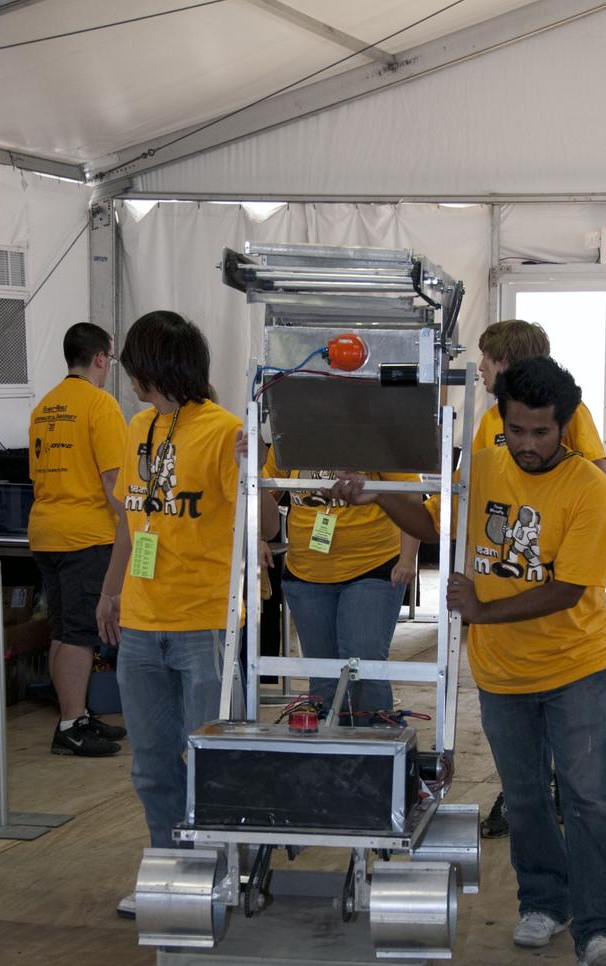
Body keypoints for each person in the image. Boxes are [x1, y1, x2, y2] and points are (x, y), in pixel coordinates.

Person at [334, 356, 606, 966]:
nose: (527, 444)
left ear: (565, 426)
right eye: (516, 429)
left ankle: (602, 926)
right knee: (524, 798)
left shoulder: (588, 488)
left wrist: (480, 610)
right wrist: (379, 495)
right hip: (501, 675)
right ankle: (544, 902)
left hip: (574, 669)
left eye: (541, 432)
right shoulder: (482, 465)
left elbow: (568, 590)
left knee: (588, 799)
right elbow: (434, 525)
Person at [96, 311, 250, 918]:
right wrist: (110, 592)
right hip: (141, 624)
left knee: (212, 761)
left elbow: (261, 523)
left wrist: (256, 461)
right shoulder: (139, 427)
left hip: (205, 622)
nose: (131, 378)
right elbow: (130, 523)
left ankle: (217, 872)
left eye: (136, 366)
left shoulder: (224, 429)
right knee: (153, 765)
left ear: (157, 367)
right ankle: (168, 870)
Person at [474, 320, 606, 837]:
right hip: (503, 656)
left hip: (569, 647)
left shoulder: (571, 421)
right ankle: (537, 866)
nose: (480, 368)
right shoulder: (487, 432)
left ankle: (596, 900)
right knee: (525, 786)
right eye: (516, 430)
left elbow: (597, 478)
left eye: (487, 358)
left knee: (587, 790)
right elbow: (465, 502)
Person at [28, 321, 127, 757]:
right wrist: (132, 526)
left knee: (63, 630)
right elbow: (113, 479)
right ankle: (70, 725)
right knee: (81, 634)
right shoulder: (100, 405)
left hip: (45, 531)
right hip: (84, 535)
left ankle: (76, 715)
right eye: (111, 358)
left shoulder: (44, 406)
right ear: (100, 358)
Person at [260, 451, 419, 722]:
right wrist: (259, 536)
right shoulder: (290, 439)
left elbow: (411, 497)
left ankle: (373, 739)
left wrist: (407, 558)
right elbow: (262, 491)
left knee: (363, 664)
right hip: (307, 574)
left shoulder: (374, 436)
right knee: (324, 676)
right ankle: (330, 743)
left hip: (373, 566)